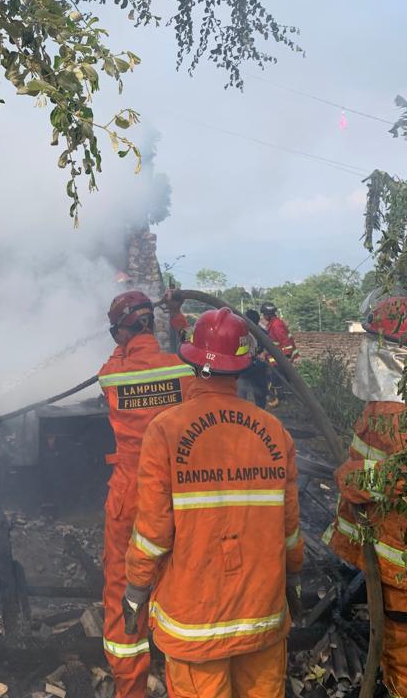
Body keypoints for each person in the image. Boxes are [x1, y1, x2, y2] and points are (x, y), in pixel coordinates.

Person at [123, 307, 304, 698]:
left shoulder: (166, 431)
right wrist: (291, 579)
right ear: (240, 367)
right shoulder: (275, 432)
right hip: (262, 617)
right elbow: (289, 530)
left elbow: (153, 533)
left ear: (192, 361)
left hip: (195, 624)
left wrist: (135, 589)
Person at [324, 292, 407, 698]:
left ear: (390, 353)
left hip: (406, 571)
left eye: (371, 341)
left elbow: (401, 476)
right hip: (397, 564)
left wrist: (350, 479)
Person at [98, 289, 194, 698]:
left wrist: (127, 340)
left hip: (130, 494)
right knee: (180, 584)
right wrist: (176, 316)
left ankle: (130, 689)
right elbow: (189, 354)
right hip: (177, 494)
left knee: (123, 587)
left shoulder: (112, 373)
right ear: (149, 324)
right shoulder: (184, 371)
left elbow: (122, 361)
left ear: (122, 330)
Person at [260, 302, 297, 406]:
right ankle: (279, 399)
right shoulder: (273, 324)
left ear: (267, 315)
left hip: (281, 358)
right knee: (276, 379)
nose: (263, 316)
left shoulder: (276, 325)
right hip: (277, 358)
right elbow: (273, 343)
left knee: (277, 379)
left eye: (263, 314)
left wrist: (286, 357)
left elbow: (286, 343)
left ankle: (280, 400)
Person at [237, 308, 268, 409]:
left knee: (257, 392)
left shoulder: (262, 333)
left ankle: (256, 410)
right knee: (243, 392)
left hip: (253, 366)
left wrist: (263, 354)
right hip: (246, 367)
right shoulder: (240, 332)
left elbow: (269, 347)